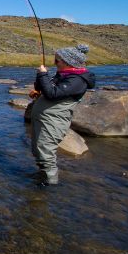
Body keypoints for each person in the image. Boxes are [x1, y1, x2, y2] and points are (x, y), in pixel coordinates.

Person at [29, 44, 95, 185]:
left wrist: (43, 74)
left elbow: (53, 94)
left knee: (45, 151)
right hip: (44, 119)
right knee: (38, 149)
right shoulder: (64, 75)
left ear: (67, 62)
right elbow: (44, 88)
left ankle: (50, 184)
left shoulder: (78, 80)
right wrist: (40, 79)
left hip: (53, 121)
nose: (55, 63)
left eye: (57, 60)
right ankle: (43, 175)